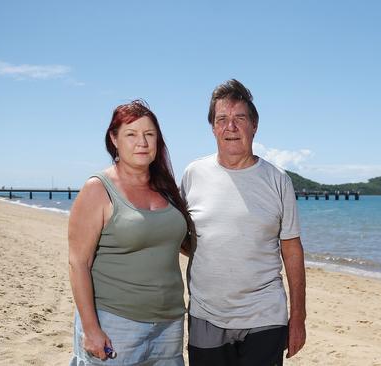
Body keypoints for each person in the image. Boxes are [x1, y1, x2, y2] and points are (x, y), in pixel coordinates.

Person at [181, 79, 307, 365]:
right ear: (213, 127)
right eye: (222, 119)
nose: (231, 127)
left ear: (254, 125)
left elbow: (292, 250)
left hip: (265, 315)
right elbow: (180, 236)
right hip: (206, 315)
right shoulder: (192, 174)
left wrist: (298, 316)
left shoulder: (278, 181)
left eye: (240, 118)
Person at [68, 100, 193, 365]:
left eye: (149, 134)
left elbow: (185, 244)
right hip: (115, 324)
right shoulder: (97, 189)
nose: (142, 142)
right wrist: (91, 330)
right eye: (131, 134)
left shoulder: (167, 189)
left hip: (169, 325)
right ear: (114, 139)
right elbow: (78, 263)